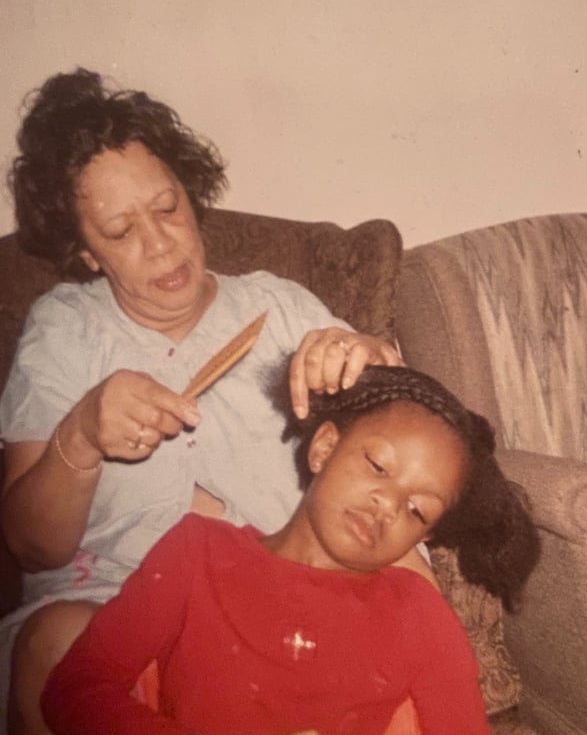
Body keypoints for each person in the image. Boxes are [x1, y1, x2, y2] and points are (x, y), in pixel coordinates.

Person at [0, 68, 403, 735]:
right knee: (55, 651)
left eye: (166, 207)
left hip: (278, 605)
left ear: (191, 192)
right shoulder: (65, 328)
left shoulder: (278, 305)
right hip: (111, 607)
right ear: (86, 252)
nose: (159, 242)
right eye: (121, 230)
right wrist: (79, 439)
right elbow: (31, 546)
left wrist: (373, 360)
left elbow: (407, 438)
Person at [40, 365, 540, 735]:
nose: (387, 503)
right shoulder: (198, 554)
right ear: (323, 447)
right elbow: (76, 689)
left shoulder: (420, 615)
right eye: (378, 466)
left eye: (417, 510)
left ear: (424, 538)